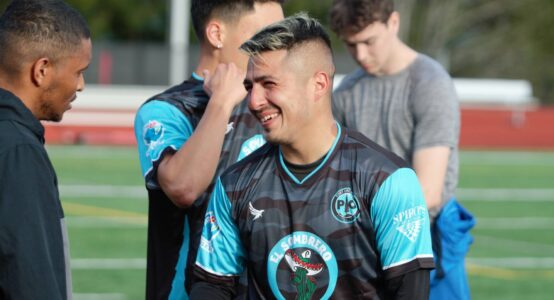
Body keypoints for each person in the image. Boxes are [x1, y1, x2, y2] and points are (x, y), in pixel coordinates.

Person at [190, 14, 434, 299]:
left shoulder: (388, 180)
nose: (254, 101)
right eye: (249, 86)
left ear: (319, 84)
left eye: (269, 84)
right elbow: (212, 287)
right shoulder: (234, 184)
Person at [133, 0, 284, 298]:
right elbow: (183, 187)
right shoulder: (168, 109)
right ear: (216, 34)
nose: (278, 47)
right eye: (267, 34)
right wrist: (221, 103)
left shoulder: (278, 102)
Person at [329, 0, 476, 299]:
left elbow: (429, 192)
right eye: (350, 45)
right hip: (365, 240)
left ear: (393, 23)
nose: (360, 54)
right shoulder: (345, 94)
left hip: (427, 236)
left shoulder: (430, 83)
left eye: (368, 42)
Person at [0, 0, 92, 299]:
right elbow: (31, 280)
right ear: (42, 70)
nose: (81, 86)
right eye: (79, 71)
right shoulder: (18, 151)